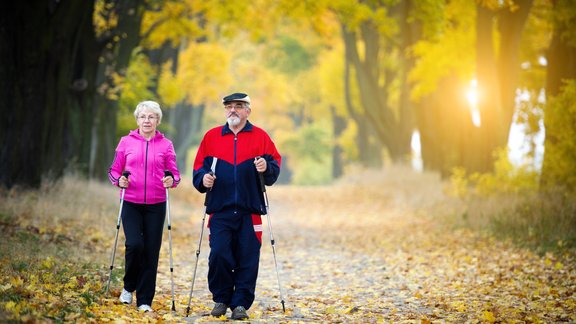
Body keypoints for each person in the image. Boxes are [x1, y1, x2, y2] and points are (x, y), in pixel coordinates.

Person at [192, 92, 281, 320]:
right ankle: (221, 299)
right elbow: (198, 168)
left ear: (247, 111)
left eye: (239, 106)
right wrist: (203, 179)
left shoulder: (260, 136)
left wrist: (265, 166)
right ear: (225, 110)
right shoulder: (212, 137)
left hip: (250, 210)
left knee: (248, 258)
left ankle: (240, 303)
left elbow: (274, 166)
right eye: (229, 106)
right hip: (220, 210)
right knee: (219, 255)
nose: (233, 110)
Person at [108, 100, 181, 312]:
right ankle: (128, 287)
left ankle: (144, 300)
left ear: (158, 120)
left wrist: (172, 181)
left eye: (151, 117)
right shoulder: (125, 142)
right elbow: (114, 170)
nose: (147, 120)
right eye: (143, 117)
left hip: (157, 204)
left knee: (151, 251)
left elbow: (174, 173)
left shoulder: (166, 145)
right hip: (130, 201)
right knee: (134, 245)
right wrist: (119, 180)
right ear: (137, 120)